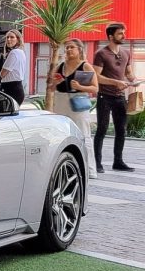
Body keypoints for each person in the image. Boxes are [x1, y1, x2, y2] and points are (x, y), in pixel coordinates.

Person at [48, 39, 99, 179]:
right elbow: (51, 88)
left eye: (72, 47)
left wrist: (80, 87)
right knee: (62, 134)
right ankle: (64, 165)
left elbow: (95, 88)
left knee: (83, 135)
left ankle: (90, 169)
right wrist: (55, 83)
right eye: (67, 48)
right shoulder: (60, 66)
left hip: (78, 103)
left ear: (79, 49)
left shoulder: (85, 66)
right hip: (60, 103)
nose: (69, 50)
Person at [93, 23, 136, 173]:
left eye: (124, 33)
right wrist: (116, 82)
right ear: (111, 36)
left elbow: (129, 73)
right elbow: (96, 76)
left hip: (120, 97)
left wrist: (134, 81)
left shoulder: (126, 53)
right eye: (120, 33)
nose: (124, 36)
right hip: (104, 96)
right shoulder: (101, 54)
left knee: (121, 130)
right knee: (102, 129)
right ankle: (97, 164)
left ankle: (118, 162)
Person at [0, 29, 26, 105]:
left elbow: (2, 74)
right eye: (7, 37)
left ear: (18, 39)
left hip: (10, 88)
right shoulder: (21, 52)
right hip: (17, 87)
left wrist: (1, 73)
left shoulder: (14, 53)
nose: (8, 39)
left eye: (12, 37)